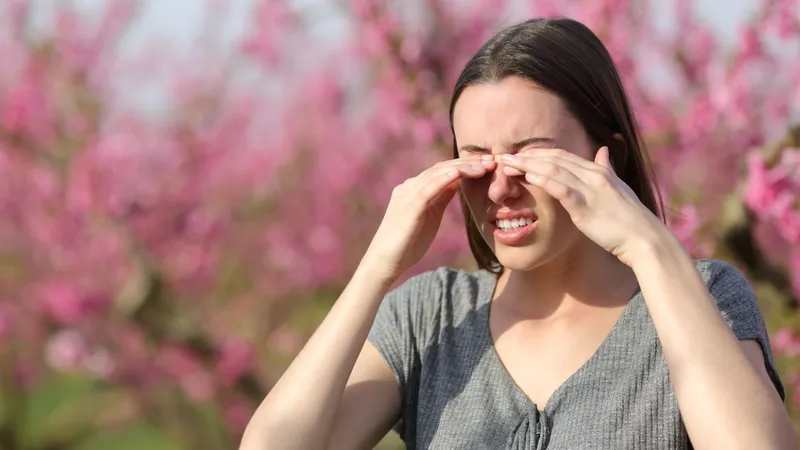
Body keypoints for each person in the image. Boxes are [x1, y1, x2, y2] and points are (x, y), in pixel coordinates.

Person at [239, 17, 796, 450]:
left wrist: (648, 247)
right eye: (476, 161)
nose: (501, 188)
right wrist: (376, 268)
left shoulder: (702, 299)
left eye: (533, 158)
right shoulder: (428, 320)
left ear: (608, 158)